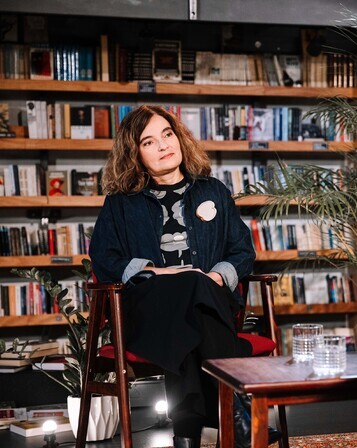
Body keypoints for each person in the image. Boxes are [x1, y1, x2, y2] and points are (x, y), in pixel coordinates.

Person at [89, 105, 275, 448]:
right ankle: (235, 413)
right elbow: (103, 256)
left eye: (167, 134)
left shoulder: (213, 191)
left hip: (207, 302)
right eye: (149, 142)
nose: (163, 145)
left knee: (191, 309)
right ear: (135, 154)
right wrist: (154, 271)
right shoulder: (121, 203)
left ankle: (187, 436)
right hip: (148, 313)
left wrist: (215, 277)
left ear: (179, 138)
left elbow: (242, 251)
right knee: (189, 291)